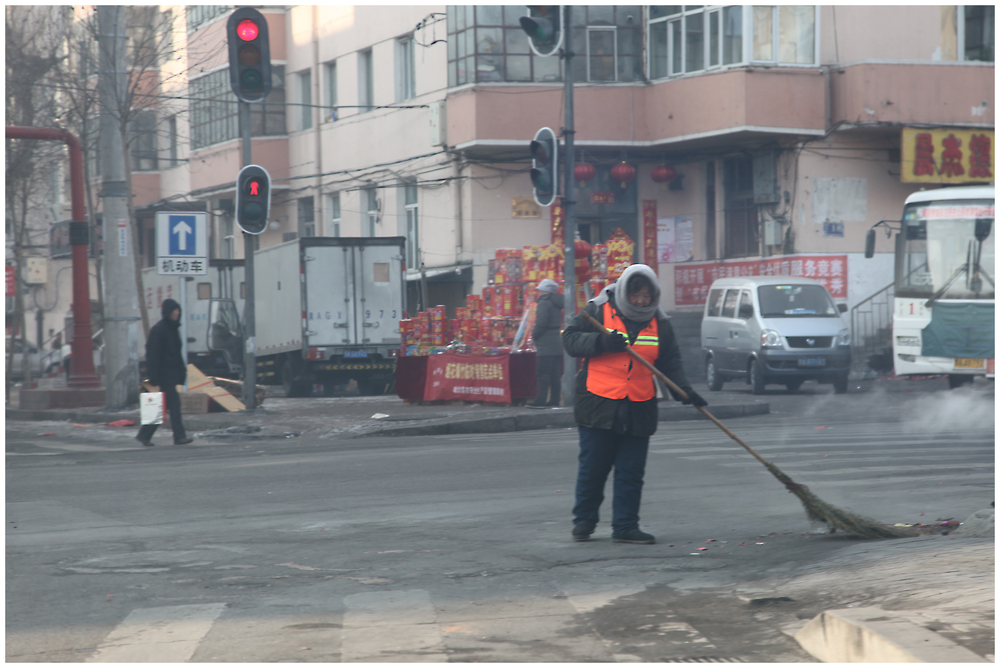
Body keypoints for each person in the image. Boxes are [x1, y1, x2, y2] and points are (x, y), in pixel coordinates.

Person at [561, 264, 707, 544]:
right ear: (625, 291)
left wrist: (685, 391)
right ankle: (584, 521)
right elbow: (570, 340)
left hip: (639, 406)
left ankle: (626, 526)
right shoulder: (598, 309)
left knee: (631, 472)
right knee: (594, 468)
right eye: (636, 295)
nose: (641, 301)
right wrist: (601, 342)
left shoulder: (660, 322)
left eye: (647, 296)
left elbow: (670, 361)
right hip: (598, 404)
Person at [136, 298, 193, 447]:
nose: (177, 313)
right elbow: (153, 355)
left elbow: (177, 354)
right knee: (174, 406)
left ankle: (144, 434)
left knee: (161, 406)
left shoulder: (173, 329)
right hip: (164, 375)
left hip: (171, 374)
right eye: (174, 310)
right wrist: (153, 376)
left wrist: (181, 372)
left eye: (178, 310)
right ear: (168, 312)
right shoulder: (159, 330)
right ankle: (179, 437)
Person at [527, 278, 565, 408]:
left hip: (545, 343)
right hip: (555, 341)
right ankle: (554, 400)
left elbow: (541, 322)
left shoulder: (544, 303)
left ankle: (540, 400)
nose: (538, 292)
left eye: (539, 290)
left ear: (544, 291)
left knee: (542, 373)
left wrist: (534, 335)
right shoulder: (556, 303)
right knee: (555, 374)